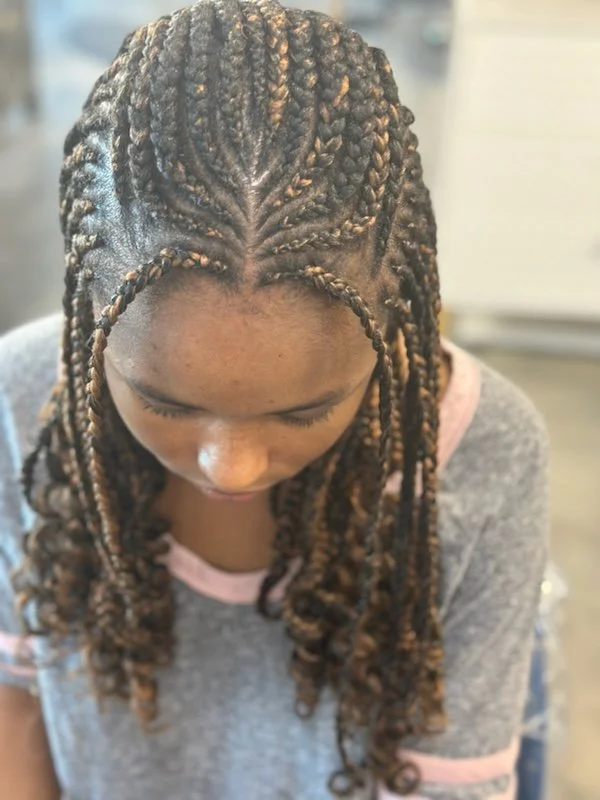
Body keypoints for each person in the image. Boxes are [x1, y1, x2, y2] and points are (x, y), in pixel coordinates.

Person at [0, 1, 549, 798]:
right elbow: (16, 694)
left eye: (303, 411)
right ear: (94, 318)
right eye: (165, 400)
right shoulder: (23, 400)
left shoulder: (484, 449)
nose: (232, 465)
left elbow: (446, 779)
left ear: (392, 324)